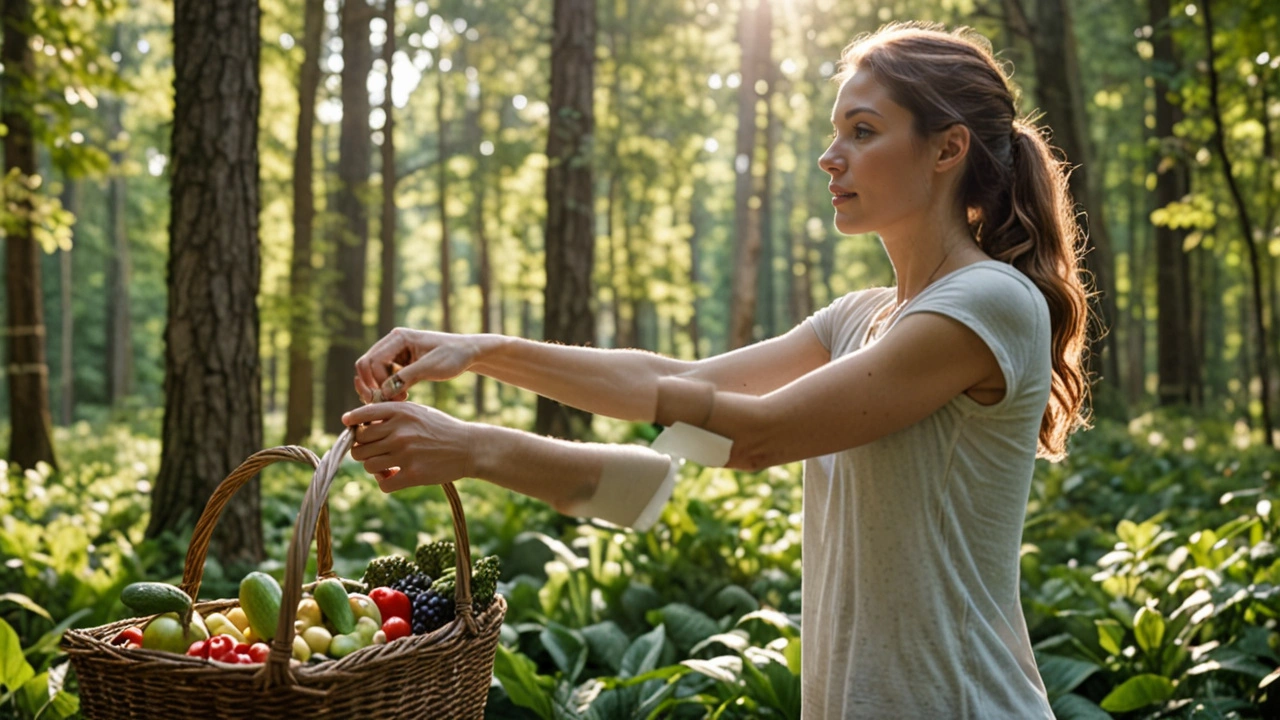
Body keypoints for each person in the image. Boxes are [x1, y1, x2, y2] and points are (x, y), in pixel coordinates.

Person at [341, 21, 1091, 719]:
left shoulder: (990, 301)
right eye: (835, 134)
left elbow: (752, 436)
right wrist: (478, 353)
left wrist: (478, 443)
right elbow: (668, 421)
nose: (831, 158)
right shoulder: (857, 320)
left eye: (862, 133)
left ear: (947, 148)